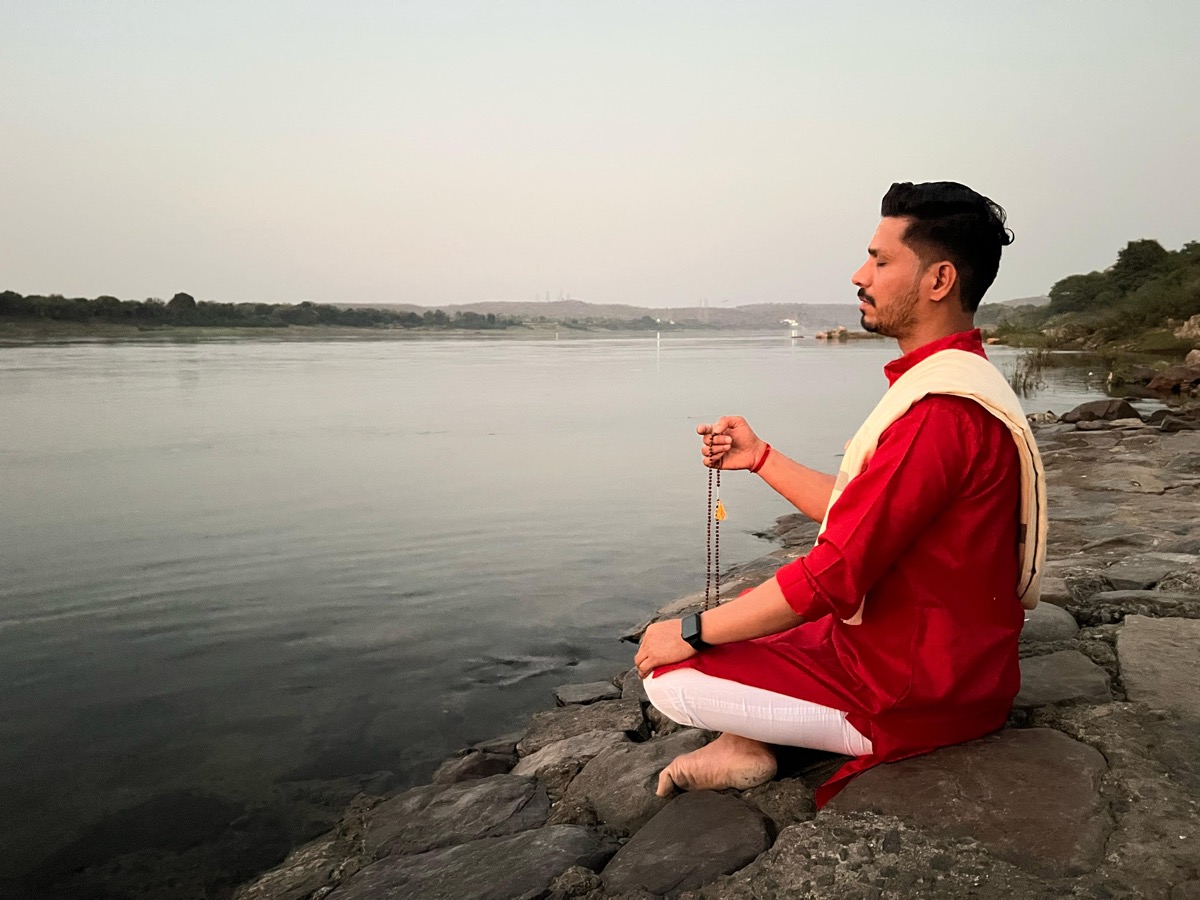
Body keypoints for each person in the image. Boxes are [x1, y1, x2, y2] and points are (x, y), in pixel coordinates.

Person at [634, 181, 1047, 806]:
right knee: (747, 617)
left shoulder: (938, 414)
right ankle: (746, 737)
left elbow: (832, 575)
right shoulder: (959, 381)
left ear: (938, 280)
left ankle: (771, 740)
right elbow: (866, 511)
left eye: (880, 260)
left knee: (671, 673)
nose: (860, 275)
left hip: (914, 688)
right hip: (947, 660)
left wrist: (688, 631)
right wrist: (760, 457)